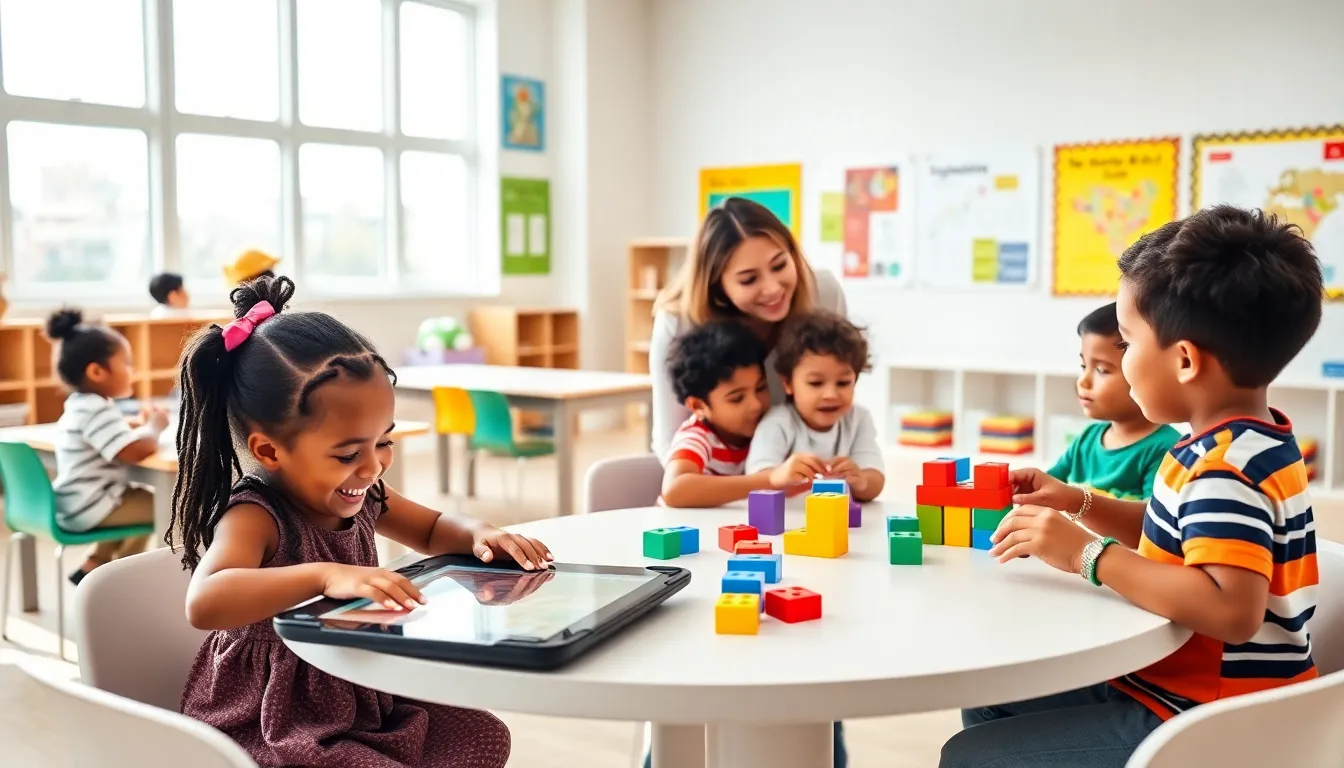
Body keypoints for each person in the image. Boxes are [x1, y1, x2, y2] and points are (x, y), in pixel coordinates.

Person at [941, 205, 1324, 768]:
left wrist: (1086, 554)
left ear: (1186, 360)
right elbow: (1177, 533)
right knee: (993, 702)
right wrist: (1078, 500)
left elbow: (1231, 610)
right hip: (1181, 688)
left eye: (1126, 343)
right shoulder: (1243, 442)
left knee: (972, 754)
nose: (1122, 358)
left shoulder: (1225, 468)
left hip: (1210, 714)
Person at [173, 275, 553, 768]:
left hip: (357, 690)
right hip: (274, 717)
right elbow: (205, 602)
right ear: (270, 451)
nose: (373, 467)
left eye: (385, 441)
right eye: (350, 452)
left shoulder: (364, 491)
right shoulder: (255, 515)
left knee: (483, 735)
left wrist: (480, 533)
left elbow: (434, 529)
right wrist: (324, 575)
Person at [650, 197, 848, 458]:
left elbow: (837, 398)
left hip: (801, 469)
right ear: (718, 287)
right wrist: (750, 485)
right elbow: (670, 442)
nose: (773, 288)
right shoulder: (679, 322)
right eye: (749, 279)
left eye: (780, 265)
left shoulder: (823, 294)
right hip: (716, 478)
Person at [45, 309, 169, 584]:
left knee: (142, 501)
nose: (131, 371)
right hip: (92, 506)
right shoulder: (96, 410)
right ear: (97, 371)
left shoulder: (83, 406)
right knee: (169, 506)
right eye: (126, 363)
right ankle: (123, 579)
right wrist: (155, 426)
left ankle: (96, 565)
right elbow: (136, 451)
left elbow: (109, 434)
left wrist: (135, 426)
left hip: (75, 504)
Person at [745, 311, 885, 502]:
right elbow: (756, 479)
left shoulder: (859, 419)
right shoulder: (778, 422)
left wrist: (860, 481)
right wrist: (781, 475)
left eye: (843, 383)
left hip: (837, 523)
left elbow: (875, 481)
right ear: (788, 384)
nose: (830, 395)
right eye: (815, 383)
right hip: (788, 524)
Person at [1047, 302, 1180, 500]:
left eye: (1101, 370)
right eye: (1084, 366)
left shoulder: (1165, 448)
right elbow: (1047, 485)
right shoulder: (1087, 439)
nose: (1083, 381)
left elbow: (1149, 521)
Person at [660, 320, 774, 507]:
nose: (755, 405)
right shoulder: (697, 436)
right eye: (737, 398)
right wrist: (769, 480)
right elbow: (674, 489)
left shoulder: (770, 426)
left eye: (761, 388)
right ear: (698, 406)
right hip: (682, 532)